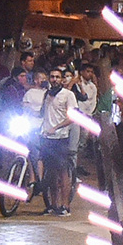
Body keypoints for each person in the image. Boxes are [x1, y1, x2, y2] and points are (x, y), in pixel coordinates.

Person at [39, 66, 78, 215]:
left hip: (61, 137)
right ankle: (53, 204)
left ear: (62, 80)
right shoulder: (46, 95)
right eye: (52, 77)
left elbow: (72, 116)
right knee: (51, 173)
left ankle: (65, 206)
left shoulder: (68, 95)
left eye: (57, 77)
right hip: (46, 137)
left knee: (63, 172)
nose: (54, 79)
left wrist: (56, 127)